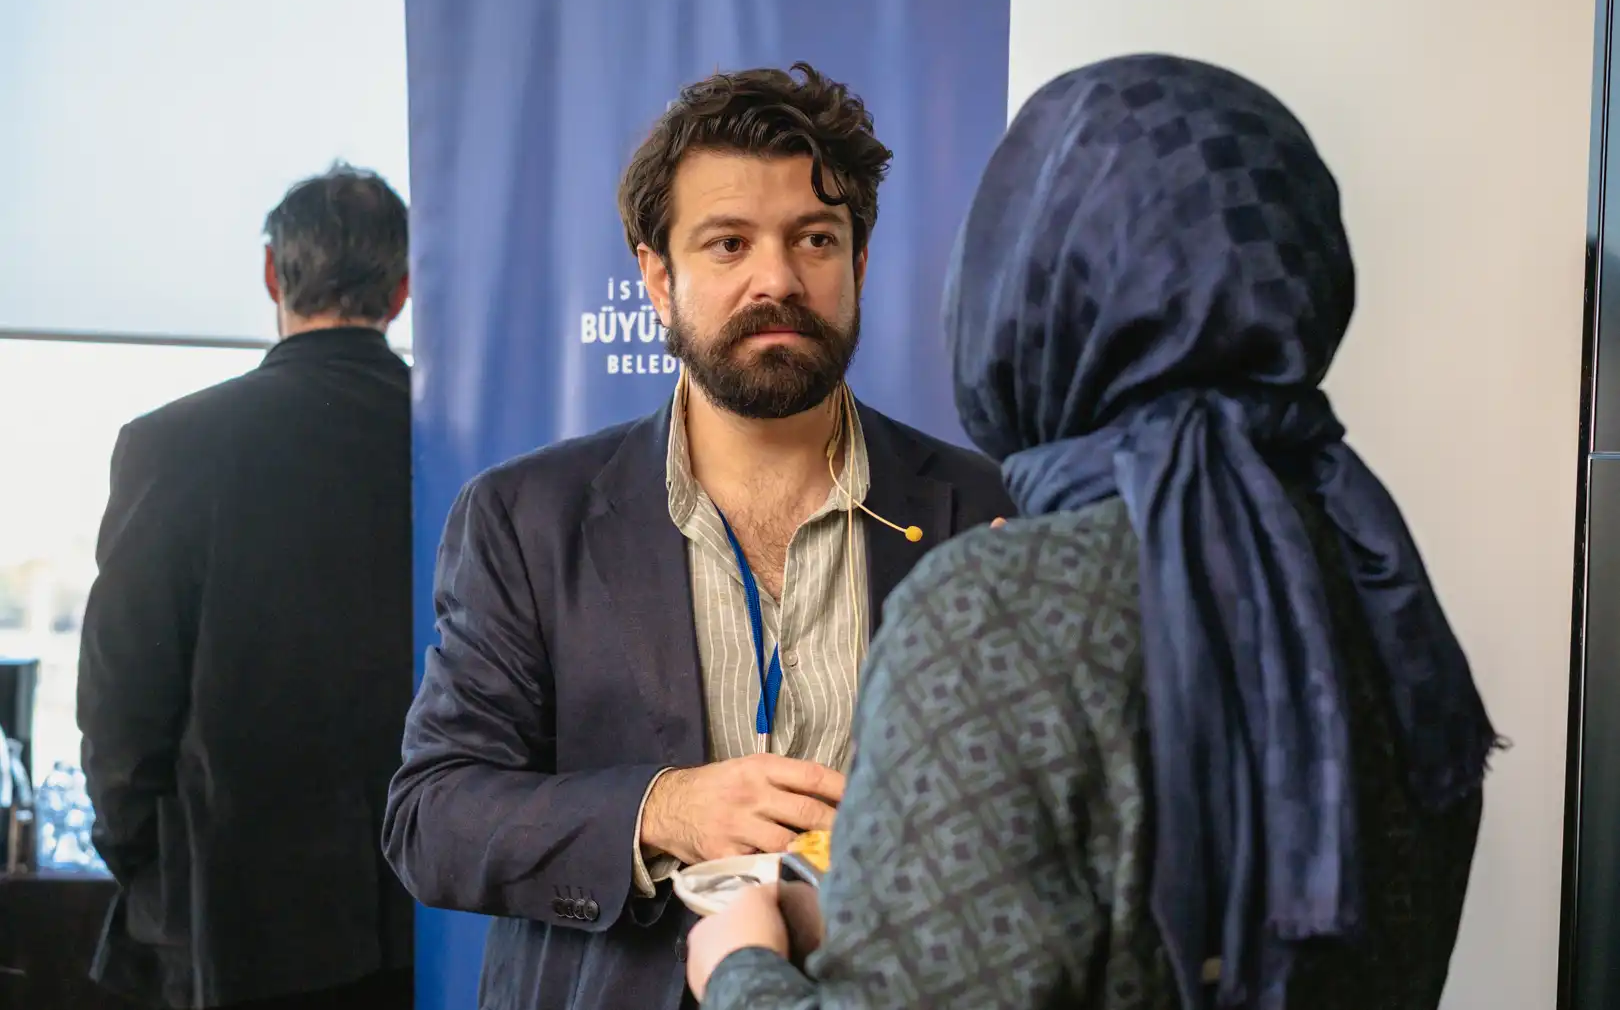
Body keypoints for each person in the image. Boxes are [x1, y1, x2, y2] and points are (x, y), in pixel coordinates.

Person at [685, 54, 1500, 1009]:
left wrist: (738, 966)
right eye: (727, 243)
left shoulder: (1000, 601)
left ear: (1020, 283)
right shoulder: (1374, 572)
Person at [382, 62, 1014, 1010]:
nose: (778, 279)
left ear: (858, 265)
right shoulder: (526, 516)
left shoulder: (989, 510)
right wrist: (663, 809)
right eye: (728, 244)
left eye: (815, 239)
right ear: (657, 278)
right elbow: (432, 818)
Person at [77, 164, 415, 1010]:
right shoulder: (470, 444)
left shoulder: (173, 444)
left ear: (272, 274)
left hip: (229, 921)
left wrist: (144, 864)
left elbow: (121, 700)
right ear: (402, 290)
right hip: (435, 920)